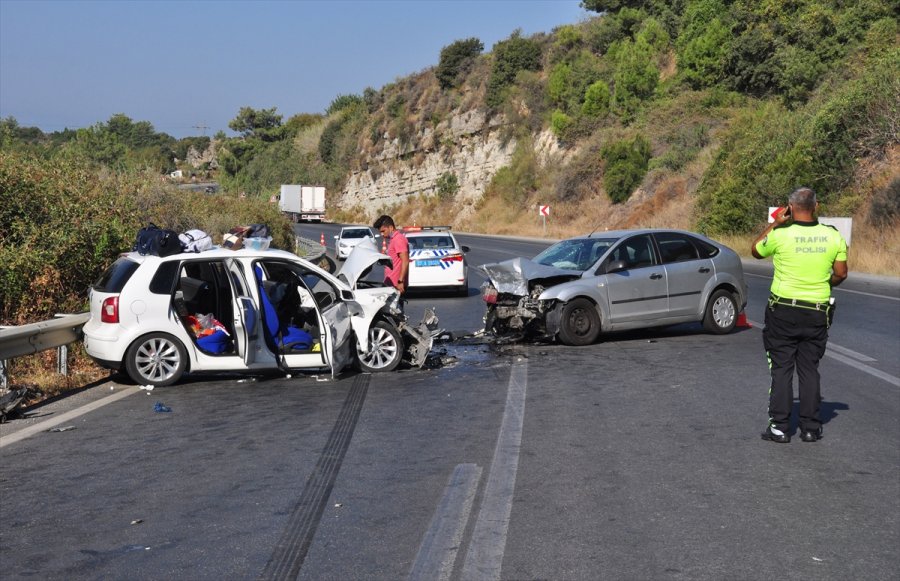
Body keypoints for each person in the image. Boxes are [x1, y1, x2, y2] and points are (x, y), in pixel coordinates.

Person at [752, 187, 848, 443]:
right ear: (816, 206)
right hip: (816, 311)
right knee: (809, 369)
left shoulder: (780, 234)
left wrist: (775, 223)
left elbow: (755, 250)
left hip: (782, 311)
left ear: (790, 207)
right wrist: (825, 284)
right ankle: (810, 428)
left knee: (781, 368)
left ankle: (780, 427)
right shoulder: (832, 236)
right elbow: (841, 273)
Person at [373, 214, 409, 296]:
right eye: (380, 232)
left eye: (383, 231)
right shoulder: (393, 239)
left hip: (396, 285)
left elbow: (405, 261)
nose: (382, 234)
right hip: (391, 284)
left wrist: (400, 281)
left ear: (391, 227)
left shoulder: (398, 239)